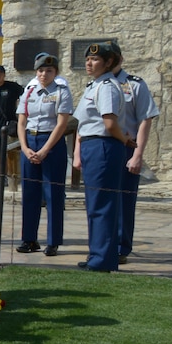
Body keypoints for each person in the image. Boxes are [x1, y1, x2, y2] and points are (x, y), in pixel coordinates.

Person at [72, 41, 130, 272]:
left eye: (95, 59)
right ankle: (97, 253)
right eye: (87, 59)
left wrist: (125, 141)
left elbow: (109, 123)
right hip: (92, 144)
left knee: (102, 205)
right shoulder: (94, 85)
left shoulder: (106, 86)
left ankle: (103, 259)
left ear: (108, 63)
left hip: (103, 145)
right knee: (95, 205)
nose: (89, 62)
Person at [16, 52, 73, 256]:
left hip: (52, 143)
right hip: (30, 141)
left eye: (49, 71)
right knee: (30, 193)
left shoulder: (61, 91)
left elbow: (62, 123)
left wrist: (45, 150)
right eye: (40, 70)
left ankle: (53, 241)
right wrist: (24, 147)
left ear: (55, 72)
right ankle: (29, 239)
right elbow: (21, 121)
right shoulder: (29, 91)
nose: (43, 74)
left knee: (53, 195)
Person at [111, 50, 160, 264]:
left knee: (124, 200)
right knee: (102, 199)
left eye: (112, 58)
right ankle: (102, 245)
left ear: (120, 60)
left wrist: (138, 154)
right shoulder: (94, 86)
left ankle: (121, 247)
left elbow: (145, 120)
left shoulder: (134, 85)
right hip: (102, 149)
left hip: (126, 147)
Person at [0, 65, 23, 186]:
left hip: (10, 123)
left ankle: (9, 176)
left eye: (0, 73)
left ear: (4, 75)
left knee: (10, 151)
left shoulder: (12, 87)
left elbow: (25, 95)